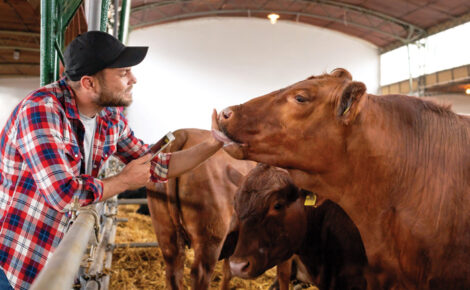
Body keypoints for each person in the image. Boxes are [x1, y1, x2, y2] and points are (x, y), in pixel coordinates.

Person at [0, 31, 223, 289]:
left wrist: (214, 143)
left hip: (61, 253)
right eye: (123, 72)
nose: (134, 79)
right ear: (89, 83)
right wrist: (124, 180)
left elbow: (155, 164)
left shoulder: (110, 117)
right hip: (17, 260)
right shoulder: (41, 110)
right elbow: (64, 195)